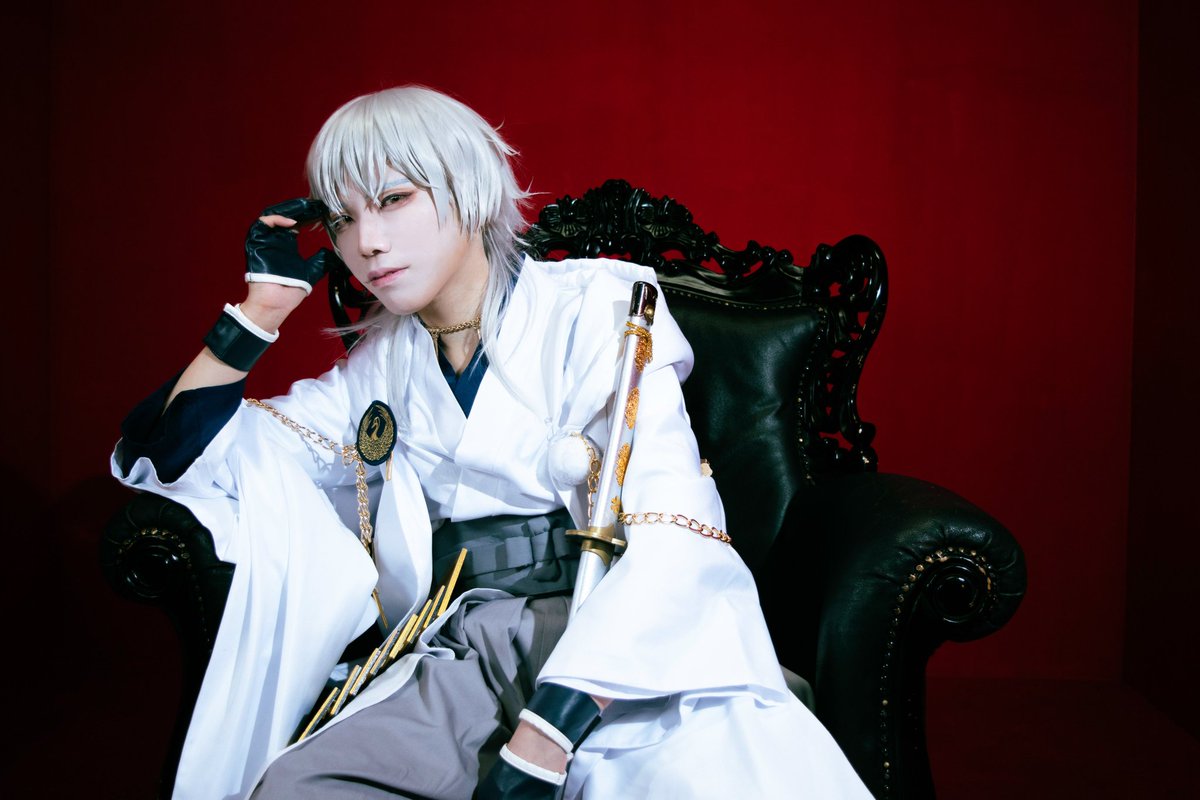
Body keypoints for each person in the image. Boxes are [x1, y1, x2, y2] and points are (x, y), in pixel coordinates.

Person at [113, 85, 871, 800]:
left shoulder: (599, 307)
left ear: (468, 191)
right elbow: (177, 454)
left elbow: (676, 529)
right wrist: (259, 312)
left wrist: (544, 740)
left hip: (612, 643)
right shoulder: (374, 369)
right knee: (297, 789)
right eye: (342, 219)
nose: (367, 243)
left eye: (393, 200)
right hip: (460, 648)